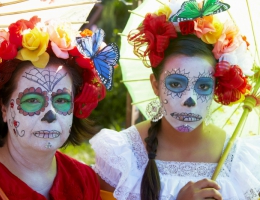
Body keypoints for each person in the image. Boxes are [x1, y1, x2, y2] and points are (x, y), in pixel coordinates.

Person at [90, 1, 260, 200]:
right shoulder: (121, 157)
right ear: (155, 84)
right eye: (176, 84)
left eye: (203, 86)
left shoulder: (241, 163)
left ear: (216, 87)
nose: (190, 100)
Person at [0, 15, 118, 199]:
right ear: (4, 109)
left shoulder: (83, 179)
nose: (50, 115)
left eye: (61, 100)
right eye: (33, 100)